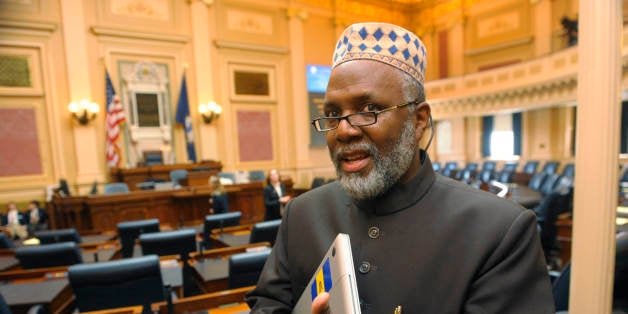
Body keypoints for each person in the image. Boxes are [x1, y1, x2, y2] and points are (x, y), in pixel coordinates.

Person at [246, 22, 554, 313]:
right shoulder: (303, 213)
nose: (344, 130)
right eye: (333, 113)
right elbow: (269, 303)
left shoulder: (498, 232)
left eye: (370, 109)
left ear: (418, 120)